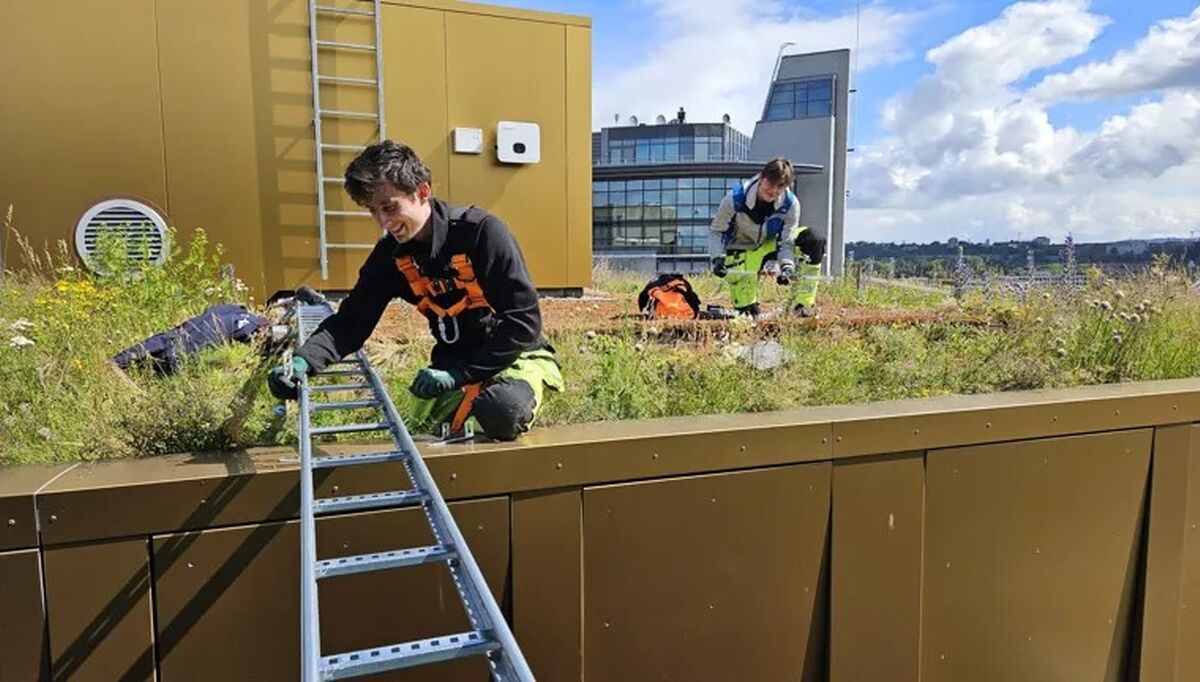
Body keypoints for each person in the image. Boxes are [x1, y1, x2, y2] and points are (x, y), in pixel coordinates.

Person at [267, 140, 562, 441]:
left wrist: (460, 376)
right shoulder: (390, 257)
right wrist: (304, 361)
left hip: (514, 357)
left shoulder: (481, 234)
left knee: (502, 410)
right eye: (373, 211)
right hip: (451, 364)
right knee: (431, 432)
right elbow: (350, 323)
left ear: (422, 191)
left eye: (390, 207)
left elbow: (523, 322)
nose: (383, 222)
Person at [708, 157, 825, 318]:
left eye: (780, 188)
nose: (773, 193)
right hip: (741, 249)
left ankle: (803, 305)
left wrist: (787, 266)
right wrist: (717, 258)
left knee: (813, 239)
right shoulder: (734, 199)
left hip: (771, 244)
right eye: (770, 186)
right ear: (761, 177)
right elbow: (717, 231)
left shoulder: (791, 204)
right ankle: (747, 304)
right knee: (747, 315)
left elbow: (787, 241)